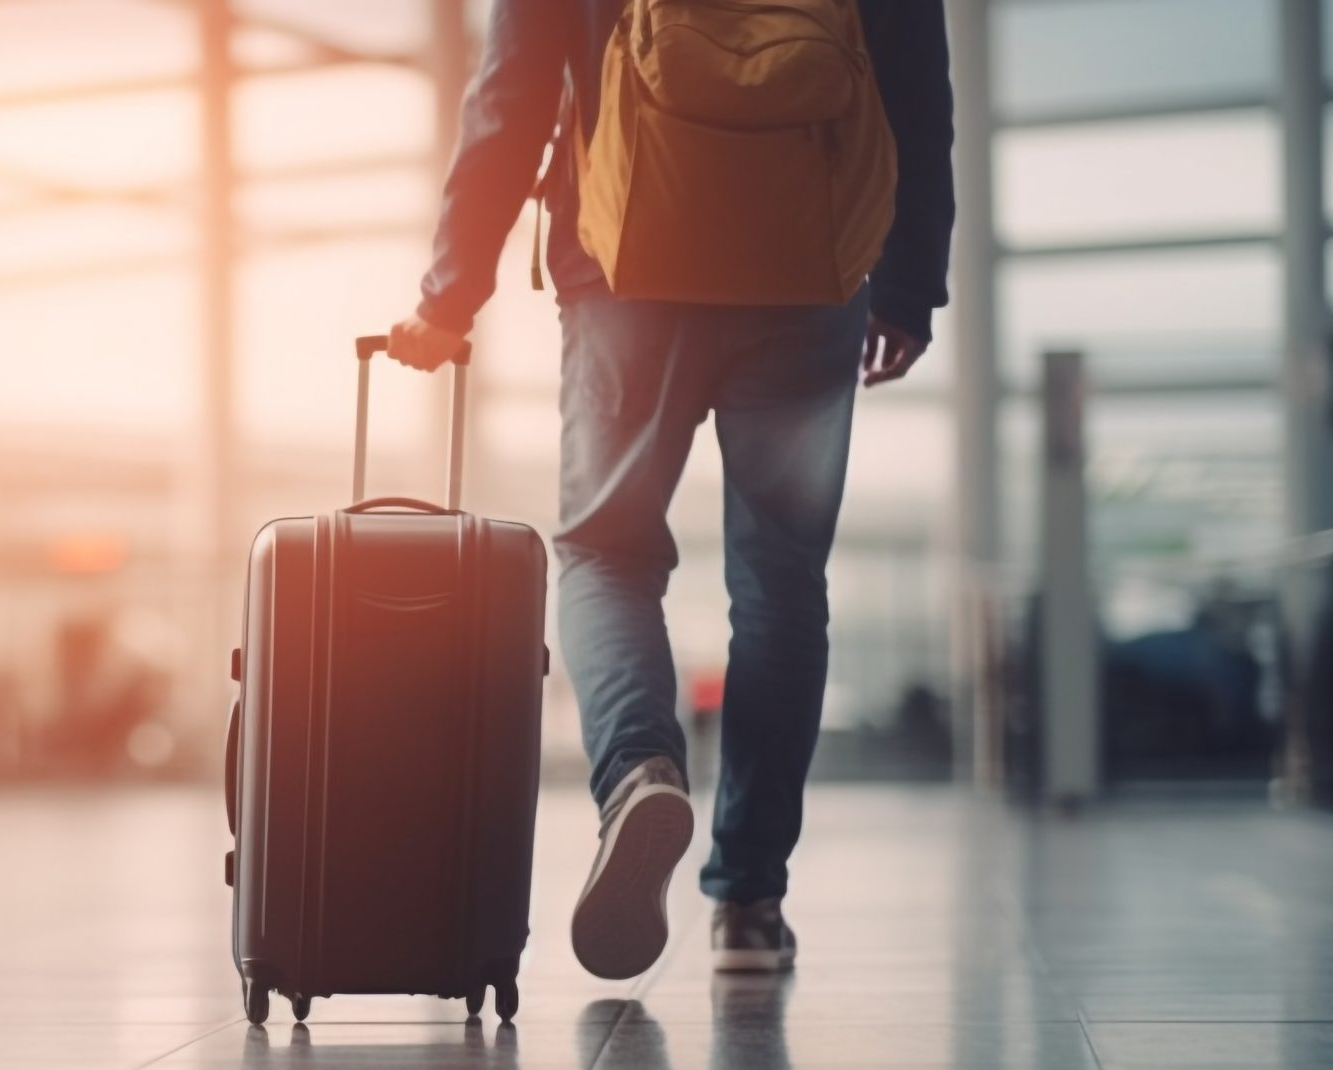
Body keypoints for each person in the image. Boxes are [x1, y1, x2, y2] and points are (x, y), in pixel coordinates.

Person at [387, 0, 954, 977]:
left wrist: (449, 295)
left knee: (605, 553)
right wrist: (909, 285)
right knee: (780, 585)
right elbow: (915, 84)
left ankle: (639, 770)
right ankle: (748, 902)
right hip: (807, 269)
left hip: (624, 271)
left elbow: (510, 95)